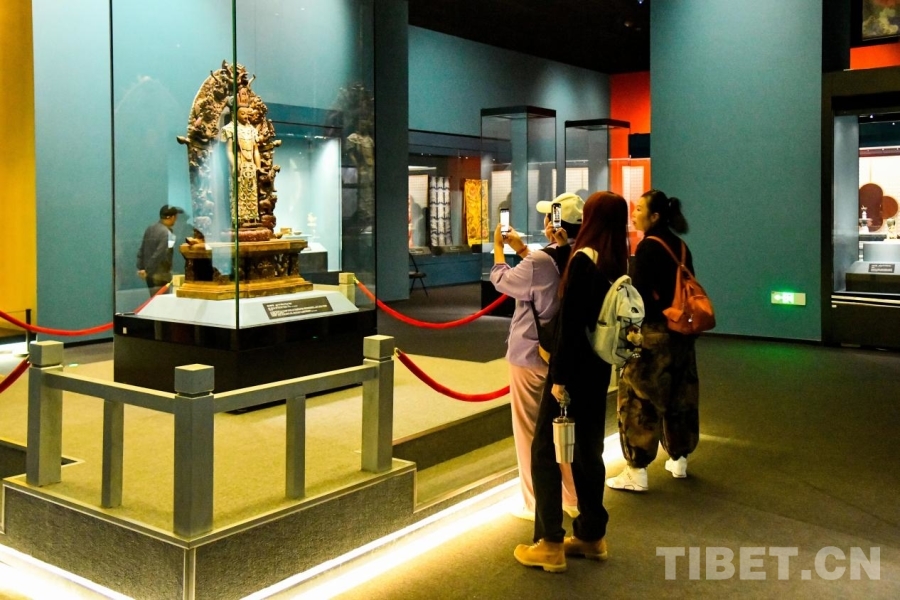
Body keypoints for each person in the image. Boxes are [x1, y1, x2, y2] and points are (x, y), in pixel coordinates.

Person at [514, 191, 629, 573]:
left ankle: (549, 542)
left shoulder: (583, 260)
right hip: (598, 370)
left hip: (571, 372)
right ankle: (592, 535)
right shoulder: (616, 261)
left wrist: (559, 378)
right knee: (588, 452)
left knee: (544, 451)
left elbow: (570, 326)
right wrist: (566, 249)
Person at [489, 192, 583, 521]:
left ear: (554, 222)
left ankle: (534, 503)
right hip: (564, 355)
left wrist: (499, 248)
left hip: (530, 352)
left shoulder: (541, 261)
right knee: (563, 430)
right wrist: (521, 249)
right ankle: (572, 496)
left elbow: (503, 280)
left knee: (529, 431)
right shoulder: (579, 256)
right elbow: (543, 274)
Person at [606, 189, 700, 492]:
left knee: (640, 398)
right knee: (680, 395)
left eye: (639, 209)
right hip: (681, 333)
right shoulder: (681, 246)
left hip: (652, 335)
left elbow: (639, 297)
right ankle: (679, 459)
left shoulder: (648, 247)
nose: (634, 214)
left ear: (655, 216)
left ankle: (637, 470)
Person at [221, 104, 261, 226]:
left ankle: (252, 219)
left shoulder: (252, 130)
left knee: (252, 192)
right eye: (242, 113)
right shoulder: (230, 129)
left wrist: (258, 166)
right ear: (235, 114)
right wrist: (234, 164)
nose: (245, 116)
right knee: (238, 193)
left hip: (251, 166)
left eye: (247, 114)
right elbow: (229, 150)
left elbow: (255, 150)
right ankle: (239, 220)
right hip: (239, 164)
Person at [136, 204, 183, 296]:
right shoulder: (168, 234)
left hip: (149, 276)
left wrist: (142, 269)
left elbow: (141, 250)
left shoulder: (150, 229)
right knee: (162, 302)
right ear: (173, 217)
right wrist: (147, 271)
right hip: (161, 276)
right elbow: (160, 254)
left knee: (154, 300)